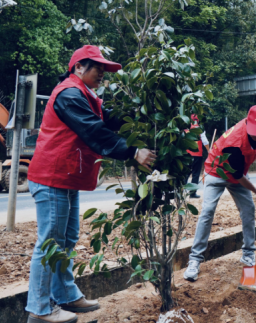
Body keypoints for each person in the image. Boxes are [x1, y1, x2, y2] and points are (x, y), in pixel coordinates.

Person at [26, 45, 156, 323]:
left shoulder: (86, 96)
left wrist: (143, 115)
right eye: (99, 69)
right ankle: (39, 309)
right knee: (50, 242)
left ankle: (66, 296)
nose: (103, 76)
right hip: (52, 178)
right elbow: (94, 131)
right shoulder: (69, 94)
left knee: (67, 239)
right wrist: (133, 152)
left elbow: (108, 119)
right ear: (79, 67)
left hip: (65, 177)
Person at [184, 106, 256, 282]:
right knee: (207, 212)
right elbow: (238, 176)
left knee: (248, 209)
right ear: (247, 122)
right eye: (255, 131)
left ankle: (248, 254)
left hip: (238, 173)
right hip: (217, 172)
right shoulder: (235, 143)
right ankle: (194, 260)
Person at [186, 114, 210, 198]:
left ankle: (180, 191)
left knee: (186, 173)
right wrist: (209, 150)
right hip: (197, 155)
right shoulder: (200, 129)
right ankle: (192, 193)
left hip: (187, 155)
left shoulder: (186, 129)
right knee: (195, 174)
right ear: (198, 120)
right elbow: (205, 141)